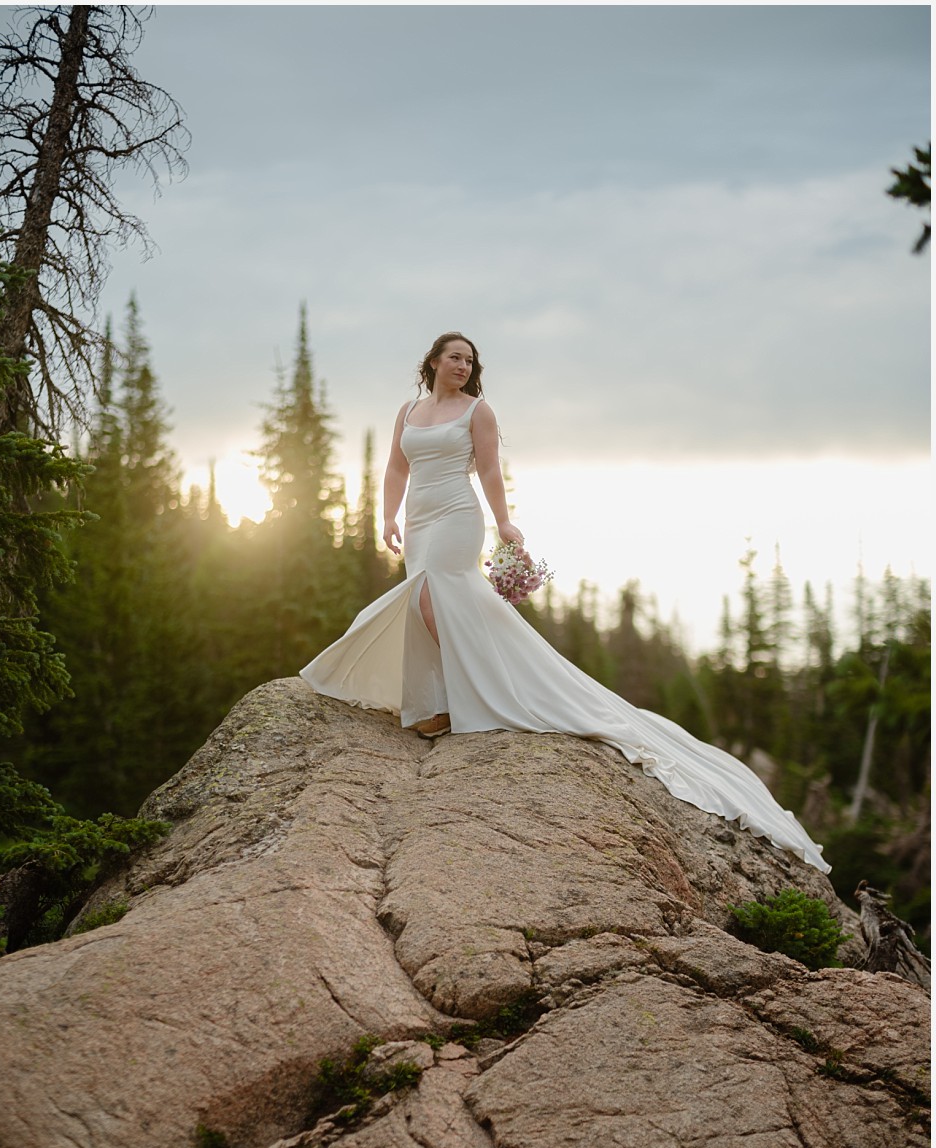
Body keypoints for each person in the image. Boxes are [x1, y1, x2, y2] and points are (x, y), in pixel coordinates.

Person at [300, 332, 829, 872]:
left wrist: (504, 523)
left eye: (470, 360)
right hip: (417, 521)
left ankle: (467, 694)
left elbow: (487, 471)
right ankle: (440, 703)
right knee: (430, 602)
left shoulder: (478, 411)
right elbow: (395, 467)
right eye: (454, 357)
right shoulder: (408, 411)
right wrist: (387, 515)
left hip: (458, 516)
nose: (463, 365)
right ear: (433, 361)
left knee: (433, 600)